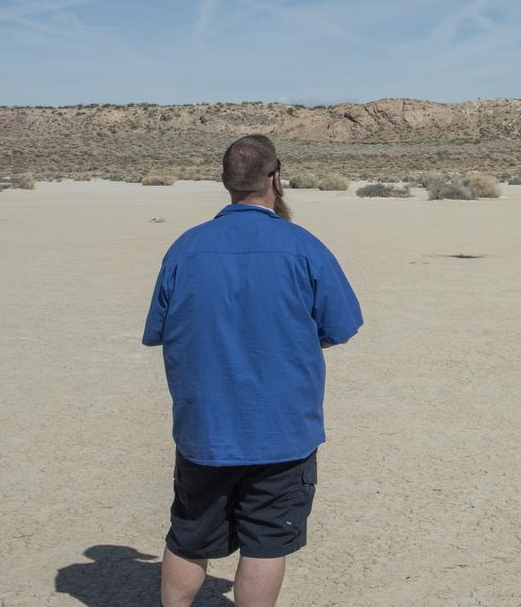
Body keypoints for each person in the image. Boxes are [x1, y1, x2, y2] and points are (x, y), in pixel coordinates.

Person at [142, 134, 363, 607]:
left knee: (189, 535)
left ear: (224, 182)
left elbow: (160, 329)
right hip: (282, 431)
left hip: (205, 429)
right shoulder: (302, 246)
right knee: (266, 542)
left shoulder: (186, 248)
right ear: (276, 178)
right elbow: (340, 327)